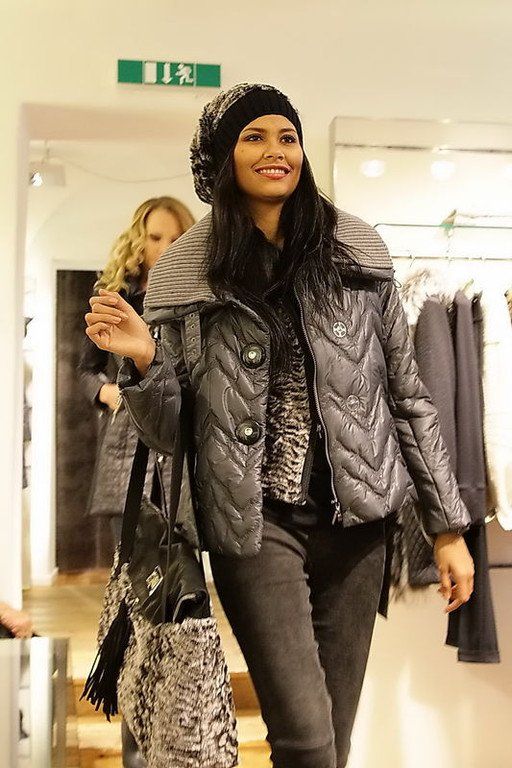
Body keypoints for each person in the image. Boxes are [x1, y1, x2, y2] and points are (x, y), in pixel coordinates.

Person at [84, 84, 475, 768]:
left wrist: (446, 527)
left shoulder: (357, 251)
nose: (276, 152)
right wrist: (145, 363)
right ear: (221, 158)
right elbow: (170, 434)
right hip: (253, 526)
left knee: (334, 738)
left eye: (287, 137)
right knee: (305, 737)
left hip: (359, 526)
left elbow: (408, 398)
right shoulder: (185, 272)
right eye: (254, 137)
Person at [79, 197, 195, 547]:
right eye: (156, 237)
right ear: (138, 240)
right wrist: (106, 392)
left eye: (176, 239)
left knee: (180, 563)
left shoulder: (198, 297)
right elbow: (87, 370)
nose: (165, 248)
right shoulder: (116, 298)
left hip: (180, 442)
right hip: (126, 445)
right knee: (131, 559)